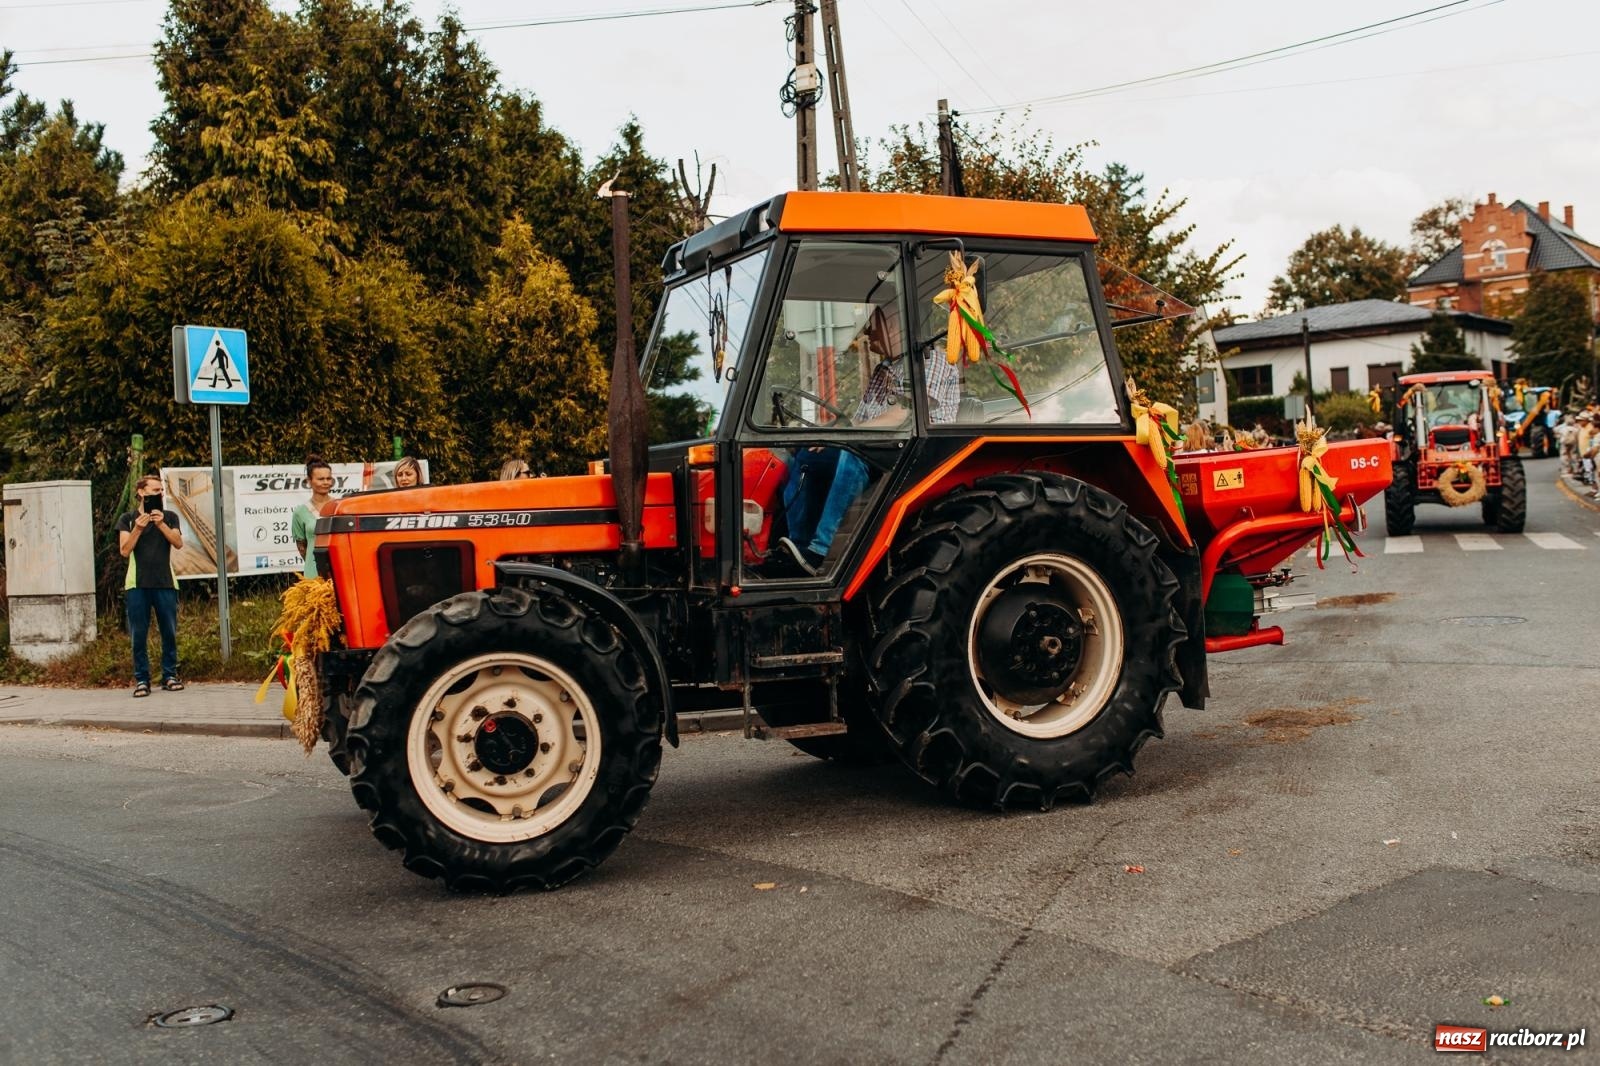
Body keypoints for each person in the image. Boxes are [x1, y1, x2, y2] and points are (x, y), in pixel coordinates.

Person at [773, 306, 959, 576]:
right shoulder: (884, 369)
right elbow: (858, 420)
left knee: (852, 451)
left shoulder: (930, 361)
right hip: (879, 448)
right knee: (805, 456)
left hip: (917, 453)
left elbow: (903, 414)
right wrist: (825, 434)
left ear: (894, 327)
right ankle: (799, 548)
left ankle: (822, 550)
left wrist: (845, 437)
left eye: (873, 326)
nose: (868, 334)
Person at [116, 475, 184, 697]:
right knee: (139, 634)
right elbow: (124, 551)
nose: (160, 494)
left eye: (162, 490)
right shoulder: (128, 519)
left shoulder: (170, 516)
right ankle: (142, 680)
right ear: (142, 492)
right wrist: (138, 528)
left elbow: (178, 543)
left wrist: (160, 523)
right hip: (138, 584)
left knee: (169, 632)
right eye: (155, 490)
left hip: (165, 582)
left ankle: (170, 676)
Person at [291, 456, 335, 579]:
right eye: (321, 479)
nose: (326, 482)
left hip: (339, 571)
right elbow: (302, 548)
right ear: (309, 481)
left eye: (328, 478)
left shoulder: (340, 506)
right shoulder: (300, 512)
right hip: (313, 574)